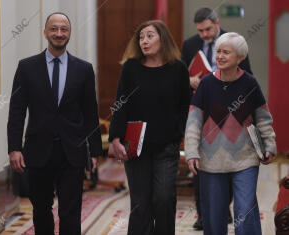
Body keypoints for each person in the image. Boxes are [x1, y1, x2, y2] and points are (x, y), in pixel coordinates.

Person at [7, 12, 102, 235]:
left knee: (71, 210)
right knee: (41, 209)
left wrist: (95, 152)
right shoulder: (27, 67)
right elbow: (17, 111)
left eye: (64, 29)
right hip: (38, 150)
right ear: (45, 32)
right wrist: (14, 148)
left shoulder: (84, 69)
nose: (59, 33)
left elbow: (90, 113)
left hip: (73, 151)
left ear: (69, 33)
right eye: (54, 29)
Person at [185, 32, 276, 235]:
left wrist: (269, 145)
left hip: (245, 158)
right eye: (218, 51)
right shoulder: (207, 84)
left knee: (245, 210)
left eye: (226, 52)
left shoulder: (249, 83)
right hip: (211, 159)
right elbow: (194, 121)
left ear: (240, 58)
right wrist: (191, 151)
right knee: (214, 215)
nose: (220, 56)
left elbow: (263, 118)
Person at [108, 20, 192, 235]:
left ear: (163, 38)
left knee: (164, 198)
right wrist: (115, 138)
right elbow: (121, 103)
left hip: (166, 145)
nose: (144, 41)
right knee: (140, 201)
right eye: (141, 37)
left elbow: (185, 104)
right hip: (135, 145)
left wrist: (178, 130)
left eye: (150, 36)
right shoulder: (131, 68)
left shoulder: (178, 69)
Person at [181, 7, 253, 229]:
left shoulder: (234, 41)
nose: (205, 34)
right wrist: (189, 80)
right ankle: (203, 214)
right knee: (202, 163)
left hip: (230, 112)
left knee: (229, 161)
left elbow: (247, 76)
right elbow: (181, 75)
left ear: (217, 23)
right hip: (202, 110)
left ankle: (223, 207)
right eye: (200, 30)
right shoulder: (190, 44)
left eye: (208, 29)